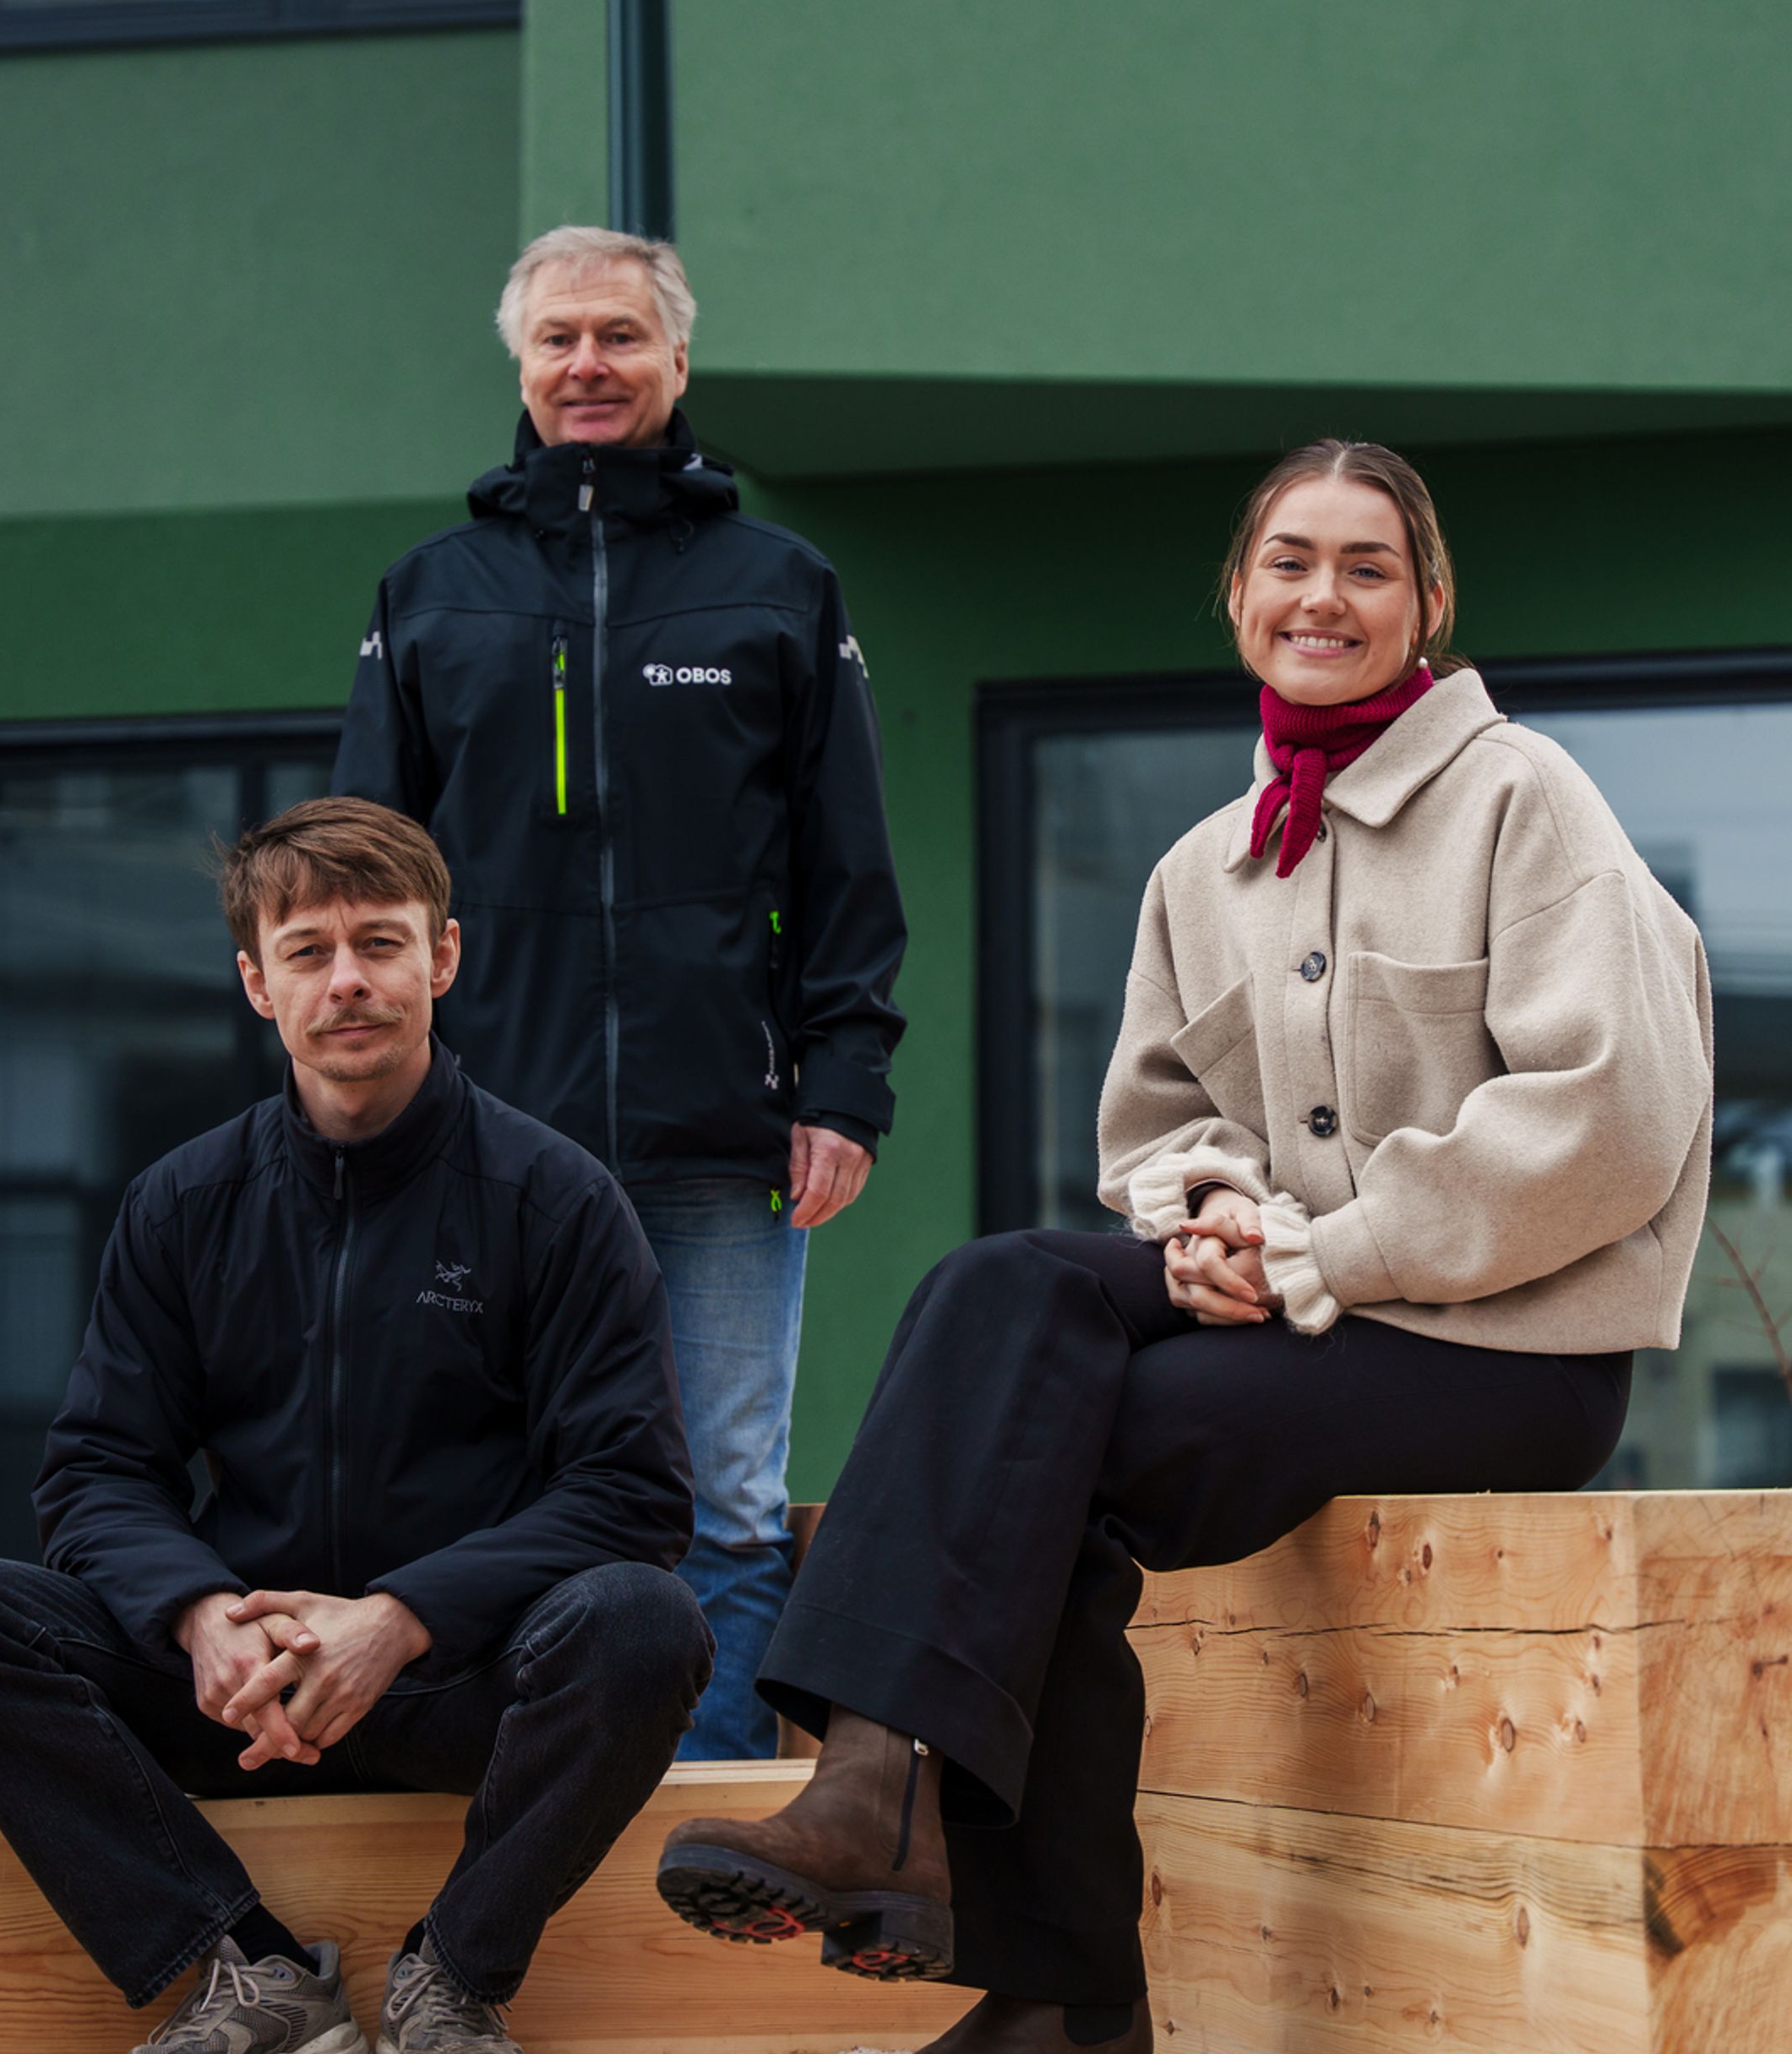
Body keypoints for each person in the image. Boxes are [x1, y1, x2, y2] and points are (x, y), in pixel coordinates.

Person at [649, 441, 1714, 2054]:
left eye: (1367, 566)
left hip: (1510, 1352)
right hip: (1299, 1315)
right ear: (1236, 595)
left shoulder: (1526, 799)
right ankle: (883, 1800)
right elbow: (1157, 1129)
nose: (1323, 596)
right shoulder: (1202, 868)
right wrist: (1216, 1215)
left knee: (1049, 1441)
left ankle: (1047, 1976)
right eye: (1290, 561)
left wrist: (1323, 1252)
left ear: (1427, 603)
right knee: (995, 1286)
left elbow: (1614, 1118)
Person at [0, 798, 711, 2054]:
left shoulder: (557, 1200)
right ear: (259, 984)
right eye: (308, 950)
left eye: (381, 942)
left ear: (443, 957)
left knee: (646, 1624)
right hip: (240, 1691)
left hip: (459, 1681)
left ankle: (454, 1976)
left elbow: (631, 1490)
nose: (347, 979)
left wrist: (399, 1618)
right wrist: (200, 1616)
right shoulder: (183, 1203)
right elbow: (98, 1470)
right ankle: (247, 1970)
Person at [335, 225, 906, 1763]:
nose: (588, 364)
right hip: (479, 1145)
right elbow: (361, 875)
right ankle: (506, 1811)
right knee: (474, 1490)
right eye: (559, 339)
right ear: (521, 364)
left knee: (722, 1499)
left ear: (676, 360)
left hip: (721, 1134)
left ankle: (692, 1827)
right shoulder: (433, 593)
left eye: (621, 336)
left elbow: (847, 860)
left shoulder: (777, 585)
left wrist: (845, 1084)